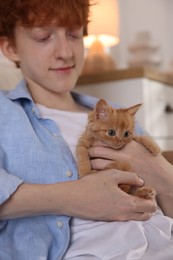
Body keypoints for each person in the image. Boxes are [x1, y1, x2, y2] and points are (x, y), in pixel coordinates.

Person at [0, 0, 172, 259]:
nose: (66, 52)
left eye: (74, 34)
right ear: (10, 47)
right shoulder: (5, 112)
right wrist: (72, 197)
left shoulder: (118, 114)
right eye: (44, 37)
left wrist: (166, 177)